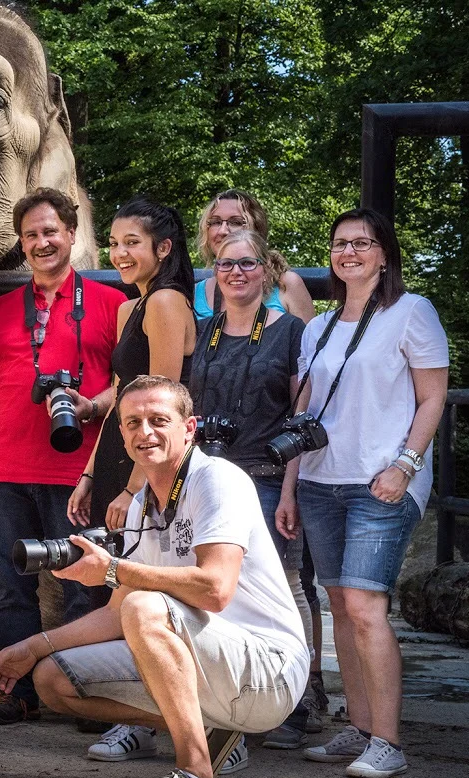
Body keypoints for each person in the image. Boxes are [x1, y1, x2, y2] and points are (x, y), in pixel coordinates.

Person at [0, 376, 310, 778]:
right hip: (214, 666)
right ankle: (209, 735)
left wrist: (113, 570)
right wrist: (31, 646)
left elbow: (215, 589)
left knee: (144, 604)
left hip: (268, 670)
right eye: (132, 422)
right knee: (52, 679)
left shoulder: (217, 480)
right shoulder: (141, 504)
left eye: (159, 420)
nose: (145, 433)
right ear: (119, 432)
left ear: (189, 427)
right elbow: (116, 614)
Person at [0, 188, 126, 725]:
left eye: (51, 231)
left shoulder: (112, 304)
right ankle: (17, 690)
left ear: (72, 235)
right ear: (20, 243)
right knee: (9, 587)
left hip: (78, 473)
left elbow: (128, 386)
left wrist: (92, 404)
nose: (42, 242)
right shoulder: (0, 312)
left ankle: (82, 689)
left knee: (84, 583)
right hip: (5, 469)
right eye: (30, 234)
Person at [293, 208, 448, 778]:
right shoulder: (319, 327)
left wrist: (405, 466)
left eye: (362, 242)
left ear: (385, 254)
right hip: (319, 480)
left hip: (381, 481)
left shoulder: (411, 312)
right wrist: (290, 489)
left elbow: (432, 398)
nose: (349, 252)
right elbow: (305, 414)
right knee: (340, 606)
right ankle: (358, 728)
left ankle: (388, 741)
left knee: (365, 606)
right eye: (339, 243)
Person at [193, 188, 326, 731]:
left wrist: (292, 489)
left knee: (283, 586)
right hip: (210, 477)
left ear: (267, 270)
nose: (236, 271)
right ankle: (231, 698)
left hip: (269, 477)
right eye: (227, 263)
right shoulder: (202, 331)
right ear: (215, 269)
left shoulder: (292, 331)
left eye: (247, 262)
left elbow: (302, 417)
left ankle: (294, 700)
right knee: (215, 586)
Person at [68, 197, 196, 746]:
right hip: (121, 459)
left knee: (136, 590)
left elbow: (161, 406)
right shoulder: (128, 309)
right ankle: (130, 712)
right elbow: (125, 400)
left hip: (155, 466)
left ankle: (148, 720)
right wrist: (93, 475)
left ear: (163, 249)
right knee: (112, 589)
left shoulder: (166, 302)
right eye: (115, 243)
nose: (119, 253)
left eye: (133, 243)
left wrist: (134, 489)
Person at [193, 189, 316, 323]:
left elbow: (309, 342)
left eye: (235, 222)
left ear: (257, 228)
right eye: (216, 222)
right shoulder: (195, 294)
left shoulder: (286, 284)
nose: (223, 231)